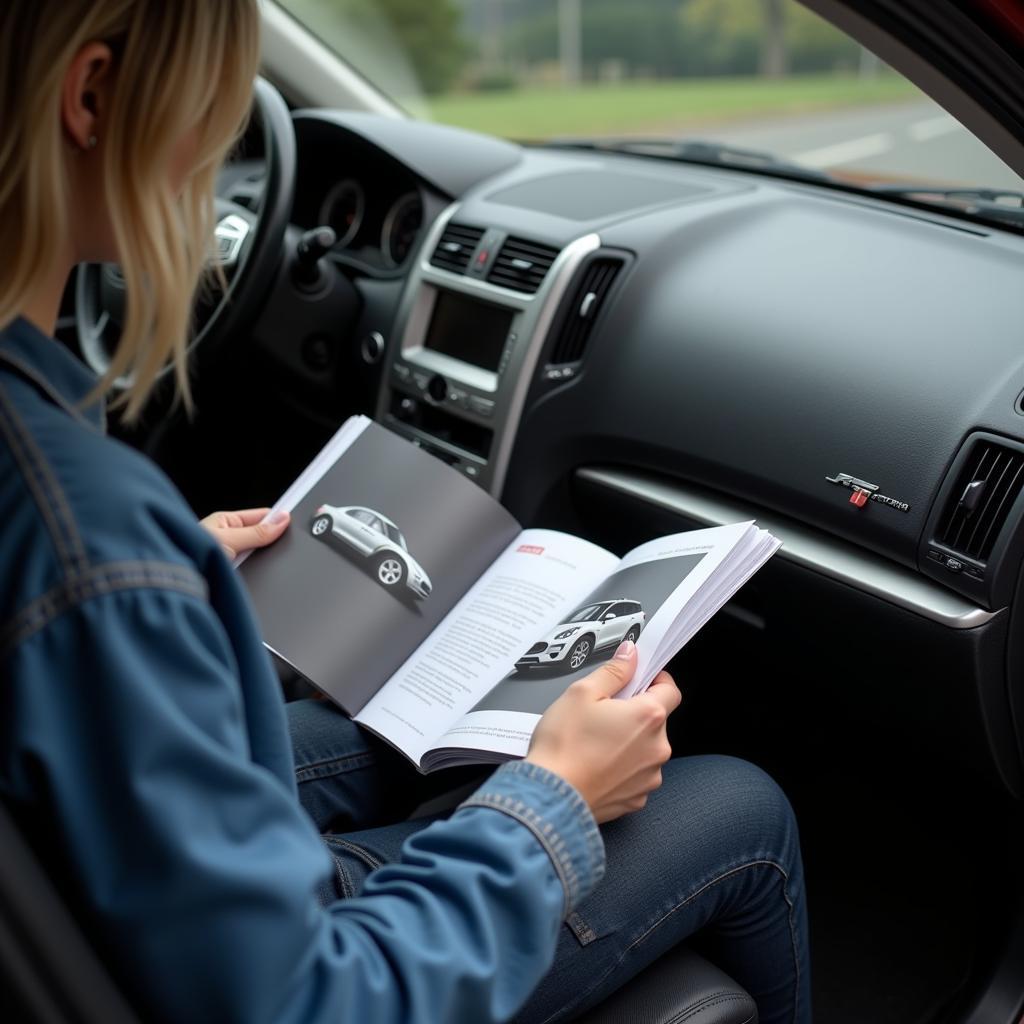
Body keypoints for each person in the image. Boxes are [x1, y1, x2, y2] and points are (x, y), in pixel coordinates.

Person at [0, 3, 811, 1022]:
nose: (220, 147)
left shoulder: (71, 528)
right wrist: (547, 806)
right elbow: (317, 1002)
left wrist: (175, 588)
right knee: (739, 802)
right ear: (91, 96)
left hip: (111, 907)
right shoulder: (91, 547)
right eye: (220, 101)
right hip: (289, 966)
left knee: (389, 723)